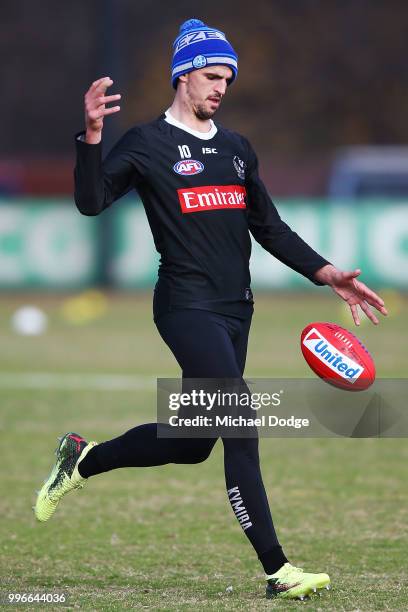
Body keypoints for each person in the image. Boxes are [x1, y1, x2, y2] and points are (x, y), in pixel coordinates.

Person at [34, 19, 387, 600]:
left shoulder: (236, 149)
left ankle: (82, 459)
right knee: (240, 418)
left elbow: (268, 225)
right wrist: (93, 135)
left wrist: (327, 274)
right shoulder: (146, 144)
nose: (220, 87)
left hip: (235, 311)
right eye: (210, 75)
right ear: (182, 75)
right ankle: (278, 571)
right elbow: (91, 202)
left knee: (192, 442)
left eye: (227, 78)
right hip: (184, 304)